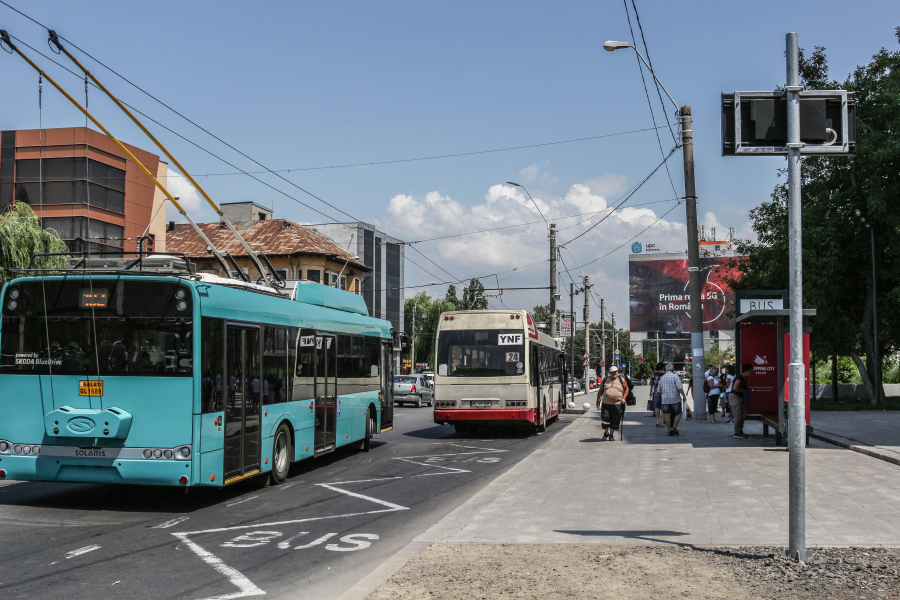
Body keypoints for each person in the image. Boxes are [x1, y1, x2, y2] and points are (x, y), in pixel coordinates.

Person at [596, 365, 629, 441]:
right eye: (612, 372)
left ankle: (611, 435)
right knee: (605, 419)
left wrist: (624, 398)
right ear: (610, 372)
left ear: (617, 372)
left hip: (617, 404)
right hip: (606, 403)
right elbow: (600, 390)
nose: (614, 373)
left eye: (615, 372)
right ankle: (606, 432)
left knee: (615, 420)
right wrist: (598, 400)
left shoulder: (622, 380)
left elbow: (627, 389)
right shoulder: (605, 379)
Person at [658, 363, 686, 436]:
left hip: (665, 400)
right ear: (673, 370)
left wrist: (663, 396)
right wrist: (684, 396)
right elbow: (680, 388)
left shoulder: (662, 378)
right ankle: (674, 426)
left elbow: (659, 390)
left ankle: (669, 430)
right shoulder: (675, 377)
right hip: (675, 399)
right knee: (679, 413)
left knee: (667, 415)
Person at [728, 364, 752, 438]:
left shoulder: (744, 378)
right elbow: (735, 388)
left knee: (743, 415)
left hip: (739, 398)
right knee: (738, 416)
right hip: (735, 397)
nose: (751, 373)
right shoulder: (740, 377)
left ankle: (740, 431)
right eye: (750, 371)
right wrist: (744, 391)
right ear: (745, 371)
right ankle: (736, 432)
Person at [648, 362, 665, 427]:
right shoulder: (665, 374)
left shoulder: (654, 374)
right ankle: (663, 422)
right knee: (663, 407)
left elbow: (651, 384)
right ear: (663, 367)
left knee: (657, 407)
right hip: (664, 393)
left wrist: (650, 392)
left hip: (656, 392)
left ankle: (657, 421)